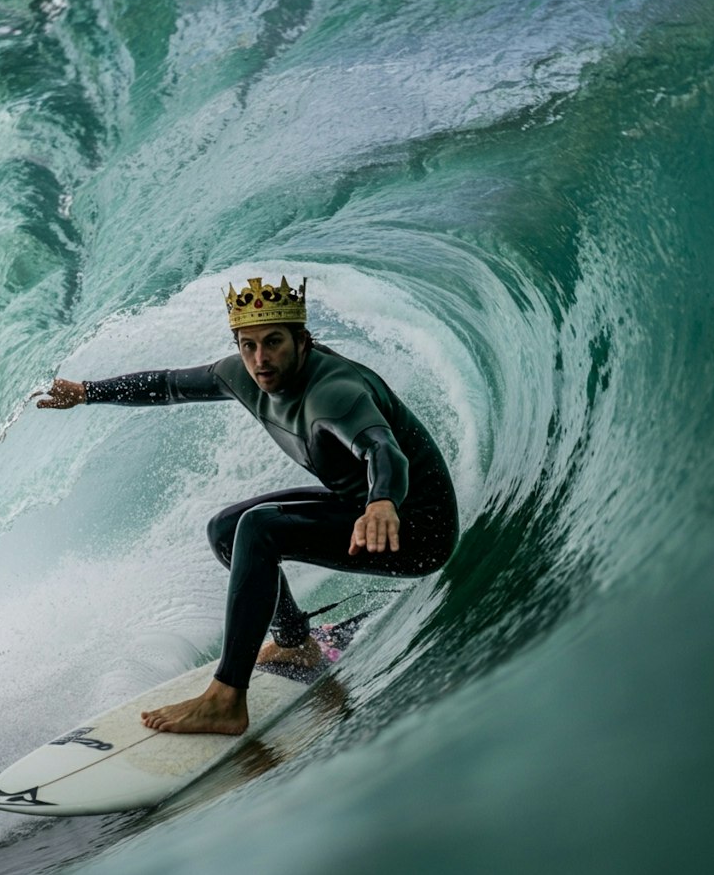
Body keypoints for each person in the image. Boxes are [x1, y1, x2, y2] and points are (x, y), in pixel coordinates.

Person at [35, 275, 458, 735]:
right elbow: (168, 384)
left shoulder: (334, 393)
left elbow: (383, 449)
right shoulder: (242, 375)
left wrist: (382, 502)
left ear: (302, 339)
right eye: (248, 345)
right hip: (359, 507)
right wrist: (87, 392)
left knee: (259, 528)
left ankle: (226, 699)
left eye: (273, 342)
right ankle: (295, 643)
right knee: (227, 528)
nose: (260, 359)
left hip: (414, 530)